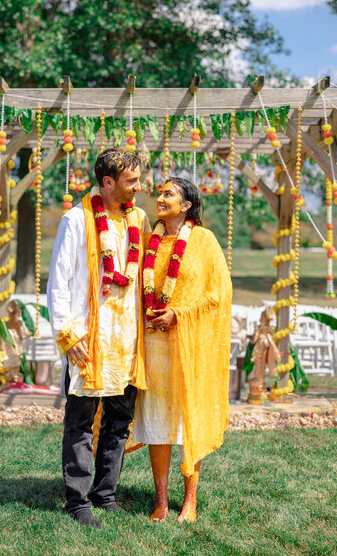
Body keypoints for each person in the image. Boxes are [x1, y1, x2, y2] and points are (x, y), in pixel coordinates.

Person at [47, 147, 150, 529]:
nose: (139, 187)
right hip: (89, 336)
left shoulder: (138, 218)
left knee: (119, 421)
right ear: (107, 183)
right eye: (131, 181)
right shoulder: (76, 220)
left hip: (127, 340)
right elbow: (58, 282)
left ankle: (105, 494)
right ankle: (77, 500)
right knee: (81, 421)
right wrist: (67, 333)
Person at [133, 177, 232, 523]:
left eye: (168, 194)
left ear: (187, 205)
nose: (159, 198)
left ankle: (189, 501)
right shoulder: (149, 241)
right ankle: (161, 501)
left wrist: (179, 313)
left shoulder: (203, 241)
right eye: (159, 193)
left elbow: (217, 292)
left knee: (188, 418)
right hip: (153, 345)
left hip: (190, 345)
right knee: (158, 422)